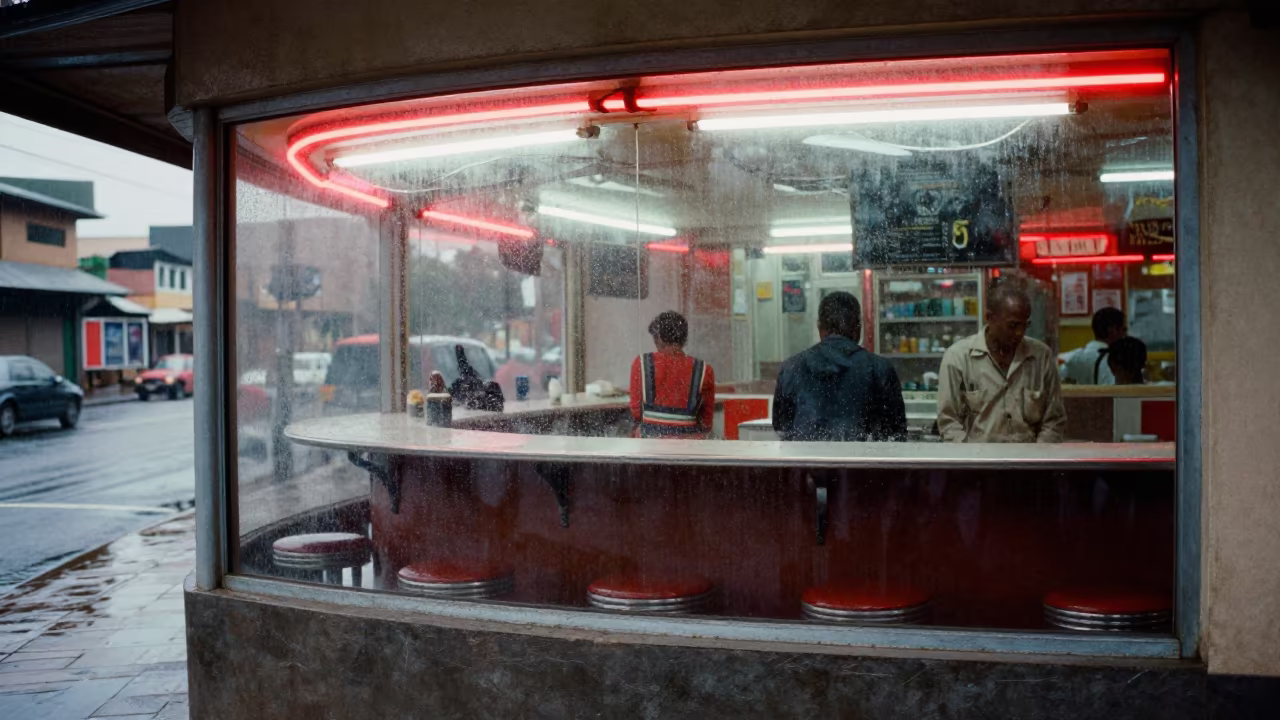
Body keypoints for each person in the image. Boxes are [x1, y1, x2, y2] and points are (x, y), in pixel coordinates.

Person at [937, 281, 1066, 443]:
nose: (1019, 332)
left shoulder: (1041, 357)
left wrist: (1037, 460)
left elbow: (1054, 420)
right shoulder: (958, 357)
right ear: (990, 318)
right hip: (978, 461)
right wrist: (970, 461)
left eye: (1025, 325)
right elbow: (949, 422)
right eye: (1012, 325)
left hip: (1029, 461)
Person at [772, 291, 907, 442]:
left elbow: (782, 426)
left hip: (807, 463)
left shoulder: (792, 368)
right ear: (858, 328)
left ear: (819, 327)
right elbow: (896, 433)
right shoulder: (880, 369)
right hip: (862, 462)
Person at [629, 311, 716, 438]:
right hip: (688, 447)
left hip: (649, 446)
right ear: (684, 338)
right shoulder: (704, 370)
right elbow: (706, 422)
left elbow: (636, 412)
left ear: (659, 338)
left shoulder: (641, 364)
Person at [1060, 307, 1126, 385]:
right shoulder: (1115, 361)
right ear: (1113, 330)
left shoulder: (1073, 358)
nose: (1125, 335)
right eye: (1124, 329)